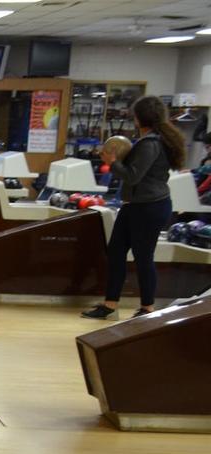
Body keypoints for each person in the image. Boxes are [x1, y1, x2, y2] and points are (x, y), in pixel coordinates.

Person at [81, 95, 185, 320]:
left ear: (139, 118)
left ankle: (147, 308)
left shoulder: (151, 143)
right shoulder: (151, 141)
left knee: (143, 257)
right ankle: (110, 304)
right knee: (116, 253)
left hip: (149, 207)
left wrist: (112, 162)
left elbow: (133, 176)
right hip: (136, 206)